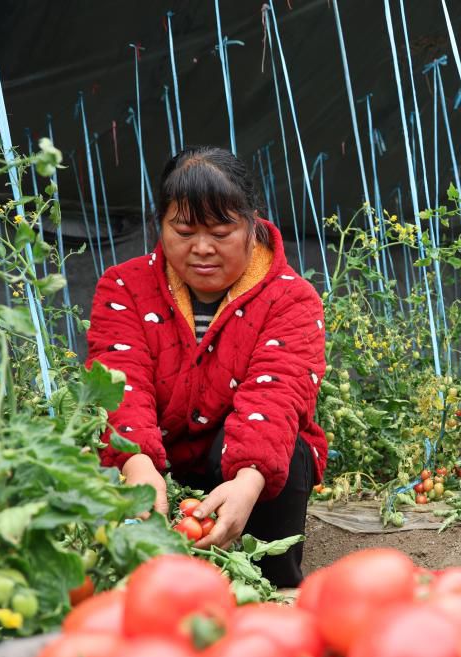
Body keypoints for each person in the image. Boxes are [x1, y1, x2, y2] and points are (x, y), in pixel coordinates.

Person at [86, 146, 327, 588]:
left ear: (252, 224)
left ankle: (272, 582)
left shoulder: (292, 299)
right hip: (155, 455)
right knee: (96, 459)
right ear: (159, 224)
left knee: (285, 455)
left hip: (246, 459)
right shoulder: (124, 287)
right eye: (183, 230)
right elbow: (121, 382)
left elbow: (275, 395)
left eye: (220, 231)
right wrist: (138, 468)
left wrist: (250, 482)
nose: (201, 248)